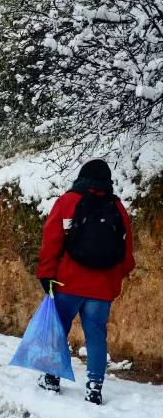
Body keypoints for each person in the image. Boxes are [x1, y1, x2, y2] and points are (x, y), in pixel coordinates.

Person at [36, 159, 135, 405]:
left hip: (67, 283)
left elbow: (52, 241)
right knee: (96, 336)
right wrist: (114, 277)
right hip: (101, 287)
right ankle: (94, 388)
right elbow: (127, 252)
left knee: (59, 328)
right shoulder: (117, 207)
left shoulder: (67, 202)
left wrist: (46, 273)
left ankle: (51, 378)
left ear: (81, 177)